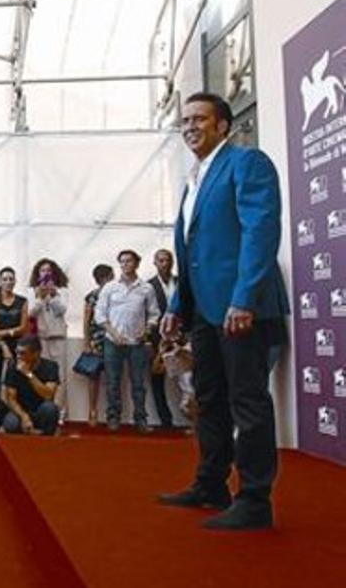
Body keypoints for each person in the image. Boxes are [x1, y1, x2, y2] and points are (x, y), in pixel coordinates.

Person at [158, 92, 287, 531]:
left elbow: (260, 232)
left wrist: (244, 298)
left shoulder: (246, 164)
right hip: (204, 312)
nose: (190, 126)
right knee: (209, 400)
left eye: (200, 119)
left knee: (247, 401)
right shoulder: (193, 179)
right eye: (185, 120)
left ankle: (254, 500)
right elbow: (191, 251)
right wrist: (178, 304)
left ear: (222, 126)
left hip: (239, 308)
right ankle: (211, 483)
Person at [95, 250, 159, 432]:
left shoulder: (146, 288)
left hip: (137, 343)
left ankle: (141, 419)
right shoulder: (109, 287)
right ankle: (113, 417)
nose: (125, 264)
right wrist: (113, 333)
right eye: (122, 261)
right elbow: (99, 314)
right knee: (113, 382)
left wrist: (146, 331)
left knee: (138, 384)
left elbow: (154, 314)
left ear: (137, 263)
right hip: (112, 342)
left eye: (129, 261)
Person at [28, 258, 69, 422]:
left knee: (60, 376)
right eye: (43, 270)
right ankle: (44, 410)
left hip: (58, 337)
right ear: (38, 273)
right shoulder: (32, 292)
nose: (46, 273)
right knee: (42, 376)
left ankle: (60, 411)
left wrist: (52, 296)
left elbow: (62, 311)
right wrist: (39, 297)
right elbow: (30, 313)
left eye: (49, 270)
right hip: (40, 339)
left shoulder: (62, 291)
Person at [0, 336, 61, 436]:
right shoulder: (12, 366)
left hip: (40, 410)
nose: (18, 356)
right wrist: (24, 416)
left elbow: (48, 395)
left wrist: (28, 374)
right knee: (11, 424)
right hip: (20, 410)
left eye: (22, 353)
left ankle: (46, 439)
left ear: (36, 354)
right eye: (17, 352)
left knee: (50, 409)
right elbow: (11, 399)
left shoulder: (51, 366)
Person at [0, 267, 28, 396]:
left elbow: (23, 328)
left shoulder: (22, 301)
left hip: (17, 346)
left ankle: (15, 410)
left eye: (11, 279)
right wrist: (4, 347)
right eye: (5, 279)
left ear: (15, 281)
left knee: (16, 379)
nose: (8, 282)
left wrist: (6, 332)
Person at [147, 249, 178, 429]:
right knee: (157, 379)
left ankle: (194, 419)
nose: (163, 263)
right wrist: (150, 341)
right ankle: (165, 421)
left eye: (166, 260)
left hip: (179, 337)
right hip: (157, 338)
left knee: (187, 380)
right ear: (155, 263)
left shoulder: (180, 282)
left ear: (172, 262)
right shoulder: (149, 286)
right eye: (160, 260)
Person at [81, 264, 115, 425]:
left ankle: (112, 412)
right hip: (97, 340)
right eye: (111, 276)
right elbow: (86, 321)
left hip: (114, 339)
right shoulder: (92, 296)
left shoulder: (117, 295)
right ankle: (92, 410)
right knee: (93, 376)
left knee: (113, 377)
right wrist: (87, 342)